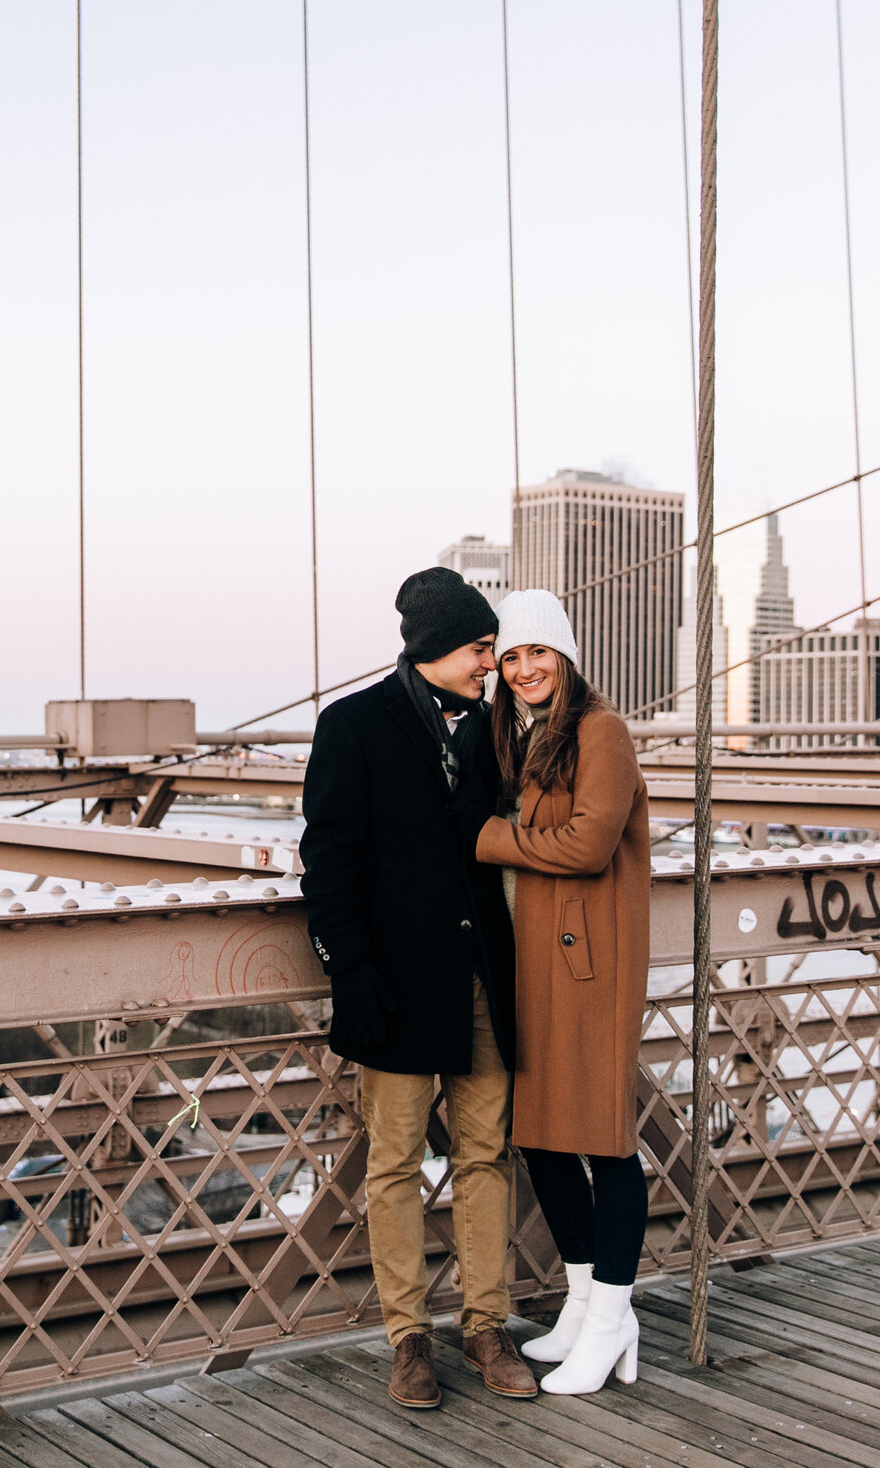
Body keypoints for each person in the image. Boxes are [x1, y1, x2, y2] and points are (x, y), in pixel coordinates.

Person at [302, 567, 538, 1410]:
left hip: (482, 984)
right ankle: (409, 1340)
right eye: (482, 649)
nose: (492, 664)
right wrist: (349, 970)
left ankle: (486, 1324)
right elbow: (327, 859)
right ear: (440, 646)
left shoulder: (498, 731)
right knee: (394, 1163)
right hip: (395, 988)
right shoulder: (353, 725)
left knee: (484, 1155)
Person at [474, 588, 652, 1395]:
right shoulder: (520, 735)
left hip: (589, 965)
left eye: (537, 652)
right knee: (542, 1135)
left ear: (567, 655)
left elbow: (588, 843)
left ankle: (615, 1313)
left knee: (604, 1138)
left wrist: (489, 837)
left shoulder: (599, 730)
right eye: (510, 657)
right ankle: (583, 1301)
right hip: (532, 961)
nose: (523, 668)